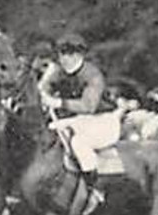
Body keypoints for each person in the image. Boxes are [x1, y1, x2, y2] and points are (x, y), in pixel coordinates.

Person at [39, 31, 119, 202]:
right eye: (61, 53)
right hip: (80, 121)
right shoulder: (60, 73)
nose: (63, 58)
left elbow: (88, 106)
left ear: (79, 54)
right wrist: (44, 83)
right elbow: (43, 91)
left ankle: (95, 189)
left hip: (103, 121)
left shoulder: (92, 75)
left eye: (68, 53)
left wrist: (57, 103)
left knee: (79, 142)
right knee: (50, 132)